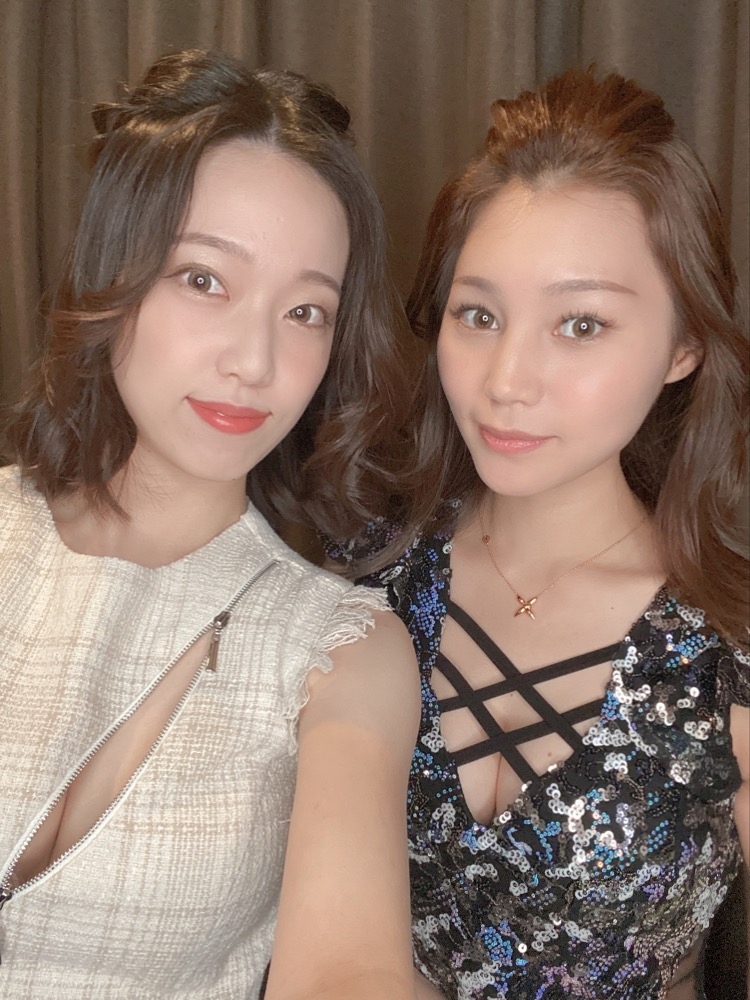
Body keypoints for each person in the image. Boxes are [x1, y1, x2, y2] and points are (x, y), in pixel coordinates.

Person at [0, 49, 421, 999]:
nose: (255, 361)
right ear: (114, 270)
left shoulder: (341, 650)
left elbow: (348, 970)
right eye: (204, 279)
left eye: (306, 310)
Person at [335, 67, 750, 999]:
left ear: (685, 346)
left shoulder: (729, 643)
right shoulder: (364, 575)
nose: (507, 380)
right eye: (478, 314)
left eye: (581, 324)